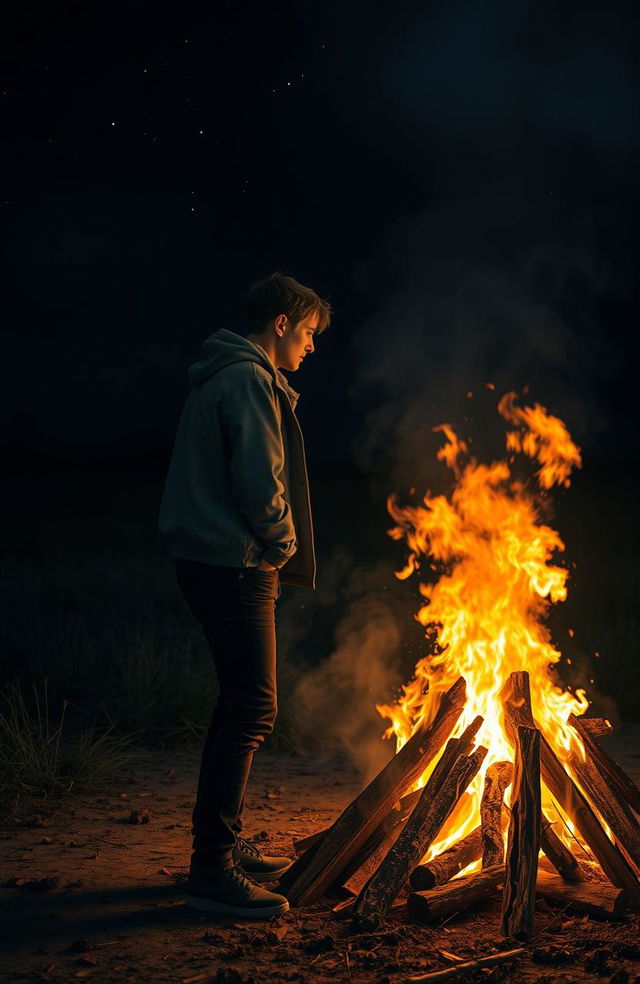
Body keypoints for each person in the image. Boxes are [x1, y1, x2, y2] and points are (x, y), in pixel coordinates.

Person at [158, 272, 331, 917]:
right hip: (233, 565)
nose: (312, 347)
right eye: (310, 333)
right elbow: (261, 483)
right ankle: (212, 872)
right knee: (254, 708)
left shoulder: (223, 374)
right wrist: (282, 544)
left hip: (211, 561)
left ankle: (220, 851)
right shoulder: (249, 379)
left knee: (239, 704)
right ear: (282, 323)